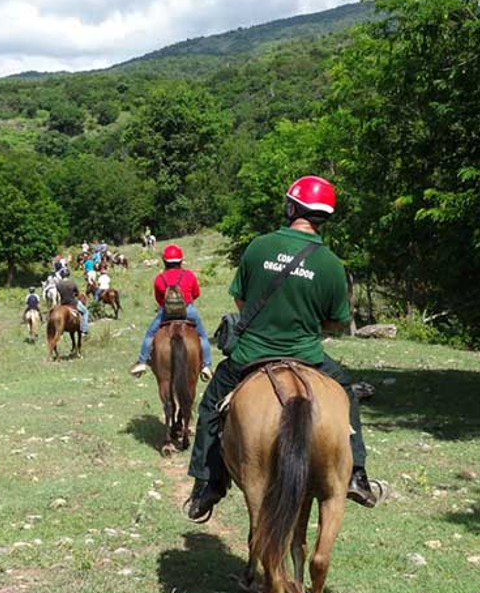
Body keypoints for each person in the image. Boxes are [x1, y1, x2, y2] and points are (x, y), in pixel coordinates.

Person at [186, 175, 383, 522]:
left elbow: (241, 299)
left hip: (251, 355)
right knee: (347, 394)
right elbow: (336, 321)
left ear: (291, 207)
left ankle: (208, 483)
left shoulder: (260, 246)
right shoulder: (331, 264)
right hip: (308, 356)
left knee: (210, 407)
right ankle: (356, 474)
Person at [130, 244, 213, 382]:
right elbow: (196, 293)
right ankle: (207, 365)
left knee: (150, 334)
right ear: (180, 261)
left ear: (164, 262)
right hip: (188, 311)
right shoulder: (189, 275)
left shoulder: (159, 278)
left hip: (166, 312)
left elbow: (158, 299)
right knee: (203, 336)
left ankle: (142, 362)